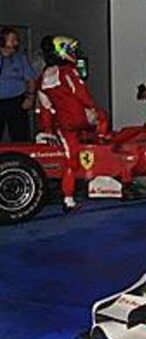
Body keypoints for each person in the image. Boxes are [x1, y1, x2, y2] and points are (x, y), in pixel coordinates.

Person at [37, 36, 108, 212]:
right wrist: (94, 110)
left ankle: (68, 200)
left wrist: (48, 131)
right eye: (71, 50)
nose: (74, 53)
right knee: (103, 117)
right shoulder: (68, 71)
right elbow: (81, 94)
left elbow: (45, 109)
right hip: (81, 119)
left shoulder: (42, 79)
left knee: (71, 161)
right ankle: (103, 148)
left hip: (64, 125)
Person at [0, 27, 37, 142]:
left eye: (17, 40)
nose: (16, 43)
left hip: (17, 102)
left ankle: (21, 159)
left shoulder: (20, 58)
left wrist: (30, 98)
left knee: (20, 136)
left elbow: (30, 79)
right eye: (13, 39)